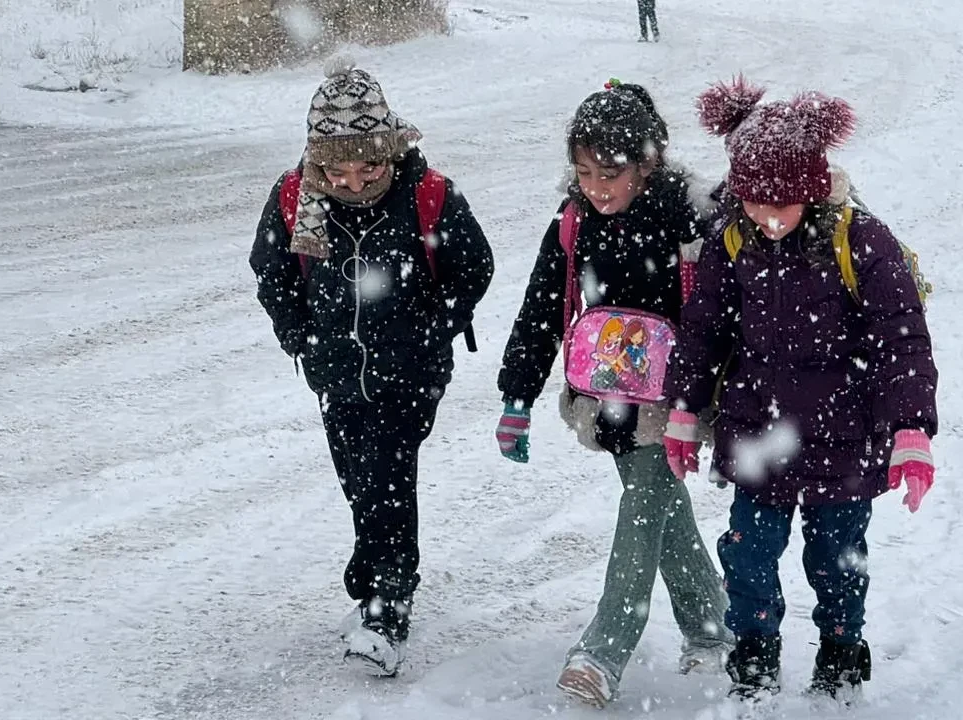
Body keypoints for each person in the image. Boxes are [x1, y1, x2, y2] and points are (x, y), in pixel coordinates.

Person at [661, 76, 939, 703]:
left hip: (843, 440)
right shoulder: (732, 240)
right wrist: (684, 411)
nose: (767, 218)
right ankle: (754, 658)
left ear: (811, 190)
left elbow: (902, 340)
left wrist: (911, 428)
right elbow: (702, 329)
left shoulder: (861, 241)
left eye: (780, 205)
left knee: (836, 560)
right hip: (758, 436)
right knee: (748, 558)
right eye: (755, 203)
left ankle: (842, 656)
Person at [249, 56, 494, 677]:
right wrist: (297, 332)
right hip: (334, 369)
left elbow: (475, 268)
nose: (354, 183)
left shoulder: (427, 193)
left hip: (410, 371)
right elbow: (271, 273)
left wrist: (430, 330)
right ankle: (372, 566)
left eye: (369, 167)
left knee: (388, 467)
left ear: (391, 151)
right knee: (357, 472)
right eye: (338, 169)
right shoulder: (296, 197)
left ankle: (389, 601)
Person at [495, 80, 732, 708]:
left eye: (610, 172)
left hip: (673, 396)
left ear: (648, 162)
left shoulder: (689, 214)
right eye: (583, 170)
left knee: (645, 501)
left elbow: (725, 308)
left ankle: (604, 649)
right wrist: (516, 395)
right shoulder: (574, 220)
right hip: (607, 395)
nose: (596, 186)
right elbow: (542, 307)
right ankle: (711, 628)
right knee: (657, 505)